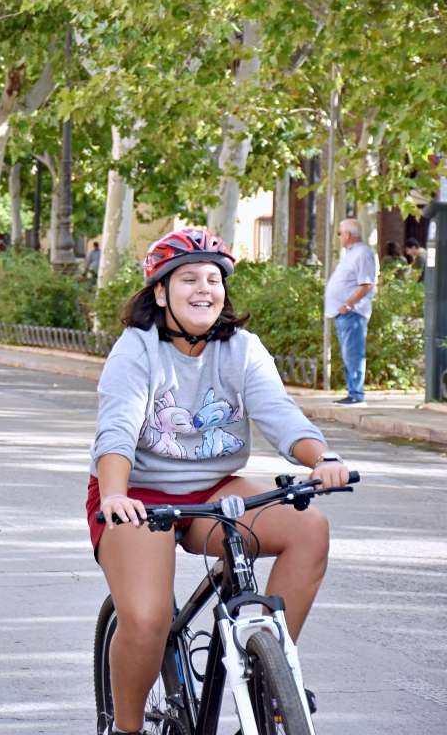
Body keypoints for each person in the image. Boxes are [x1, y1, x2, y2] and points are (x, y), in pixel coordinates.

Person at [89, 228, 351, 735]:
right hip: (137, 495)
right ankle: (125, 729)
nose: (204, 288)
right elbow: (116, 432)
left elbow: (279, 414)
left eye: (214, 278)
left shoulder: (242, 349)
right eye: (188, 278)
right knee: (146, 620)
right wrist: (117, 494)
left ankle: (272, 679)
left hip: (213, 489)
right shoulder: (136, 350)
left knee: (308, 527)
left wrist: (323, 457)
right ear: (160, 292)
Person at [323, 218, 376, 406]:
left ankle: (356, 394)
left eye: (339, 233)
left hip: (353, 313)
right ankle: (352, 392)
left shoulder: (362, 253)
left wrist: (348, 304)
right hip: (344, 314)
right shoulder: (351, 253)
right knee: (348, 354)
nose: (338, 237)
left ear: (347, 235)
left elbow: (367, 283)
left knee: (353, 353)